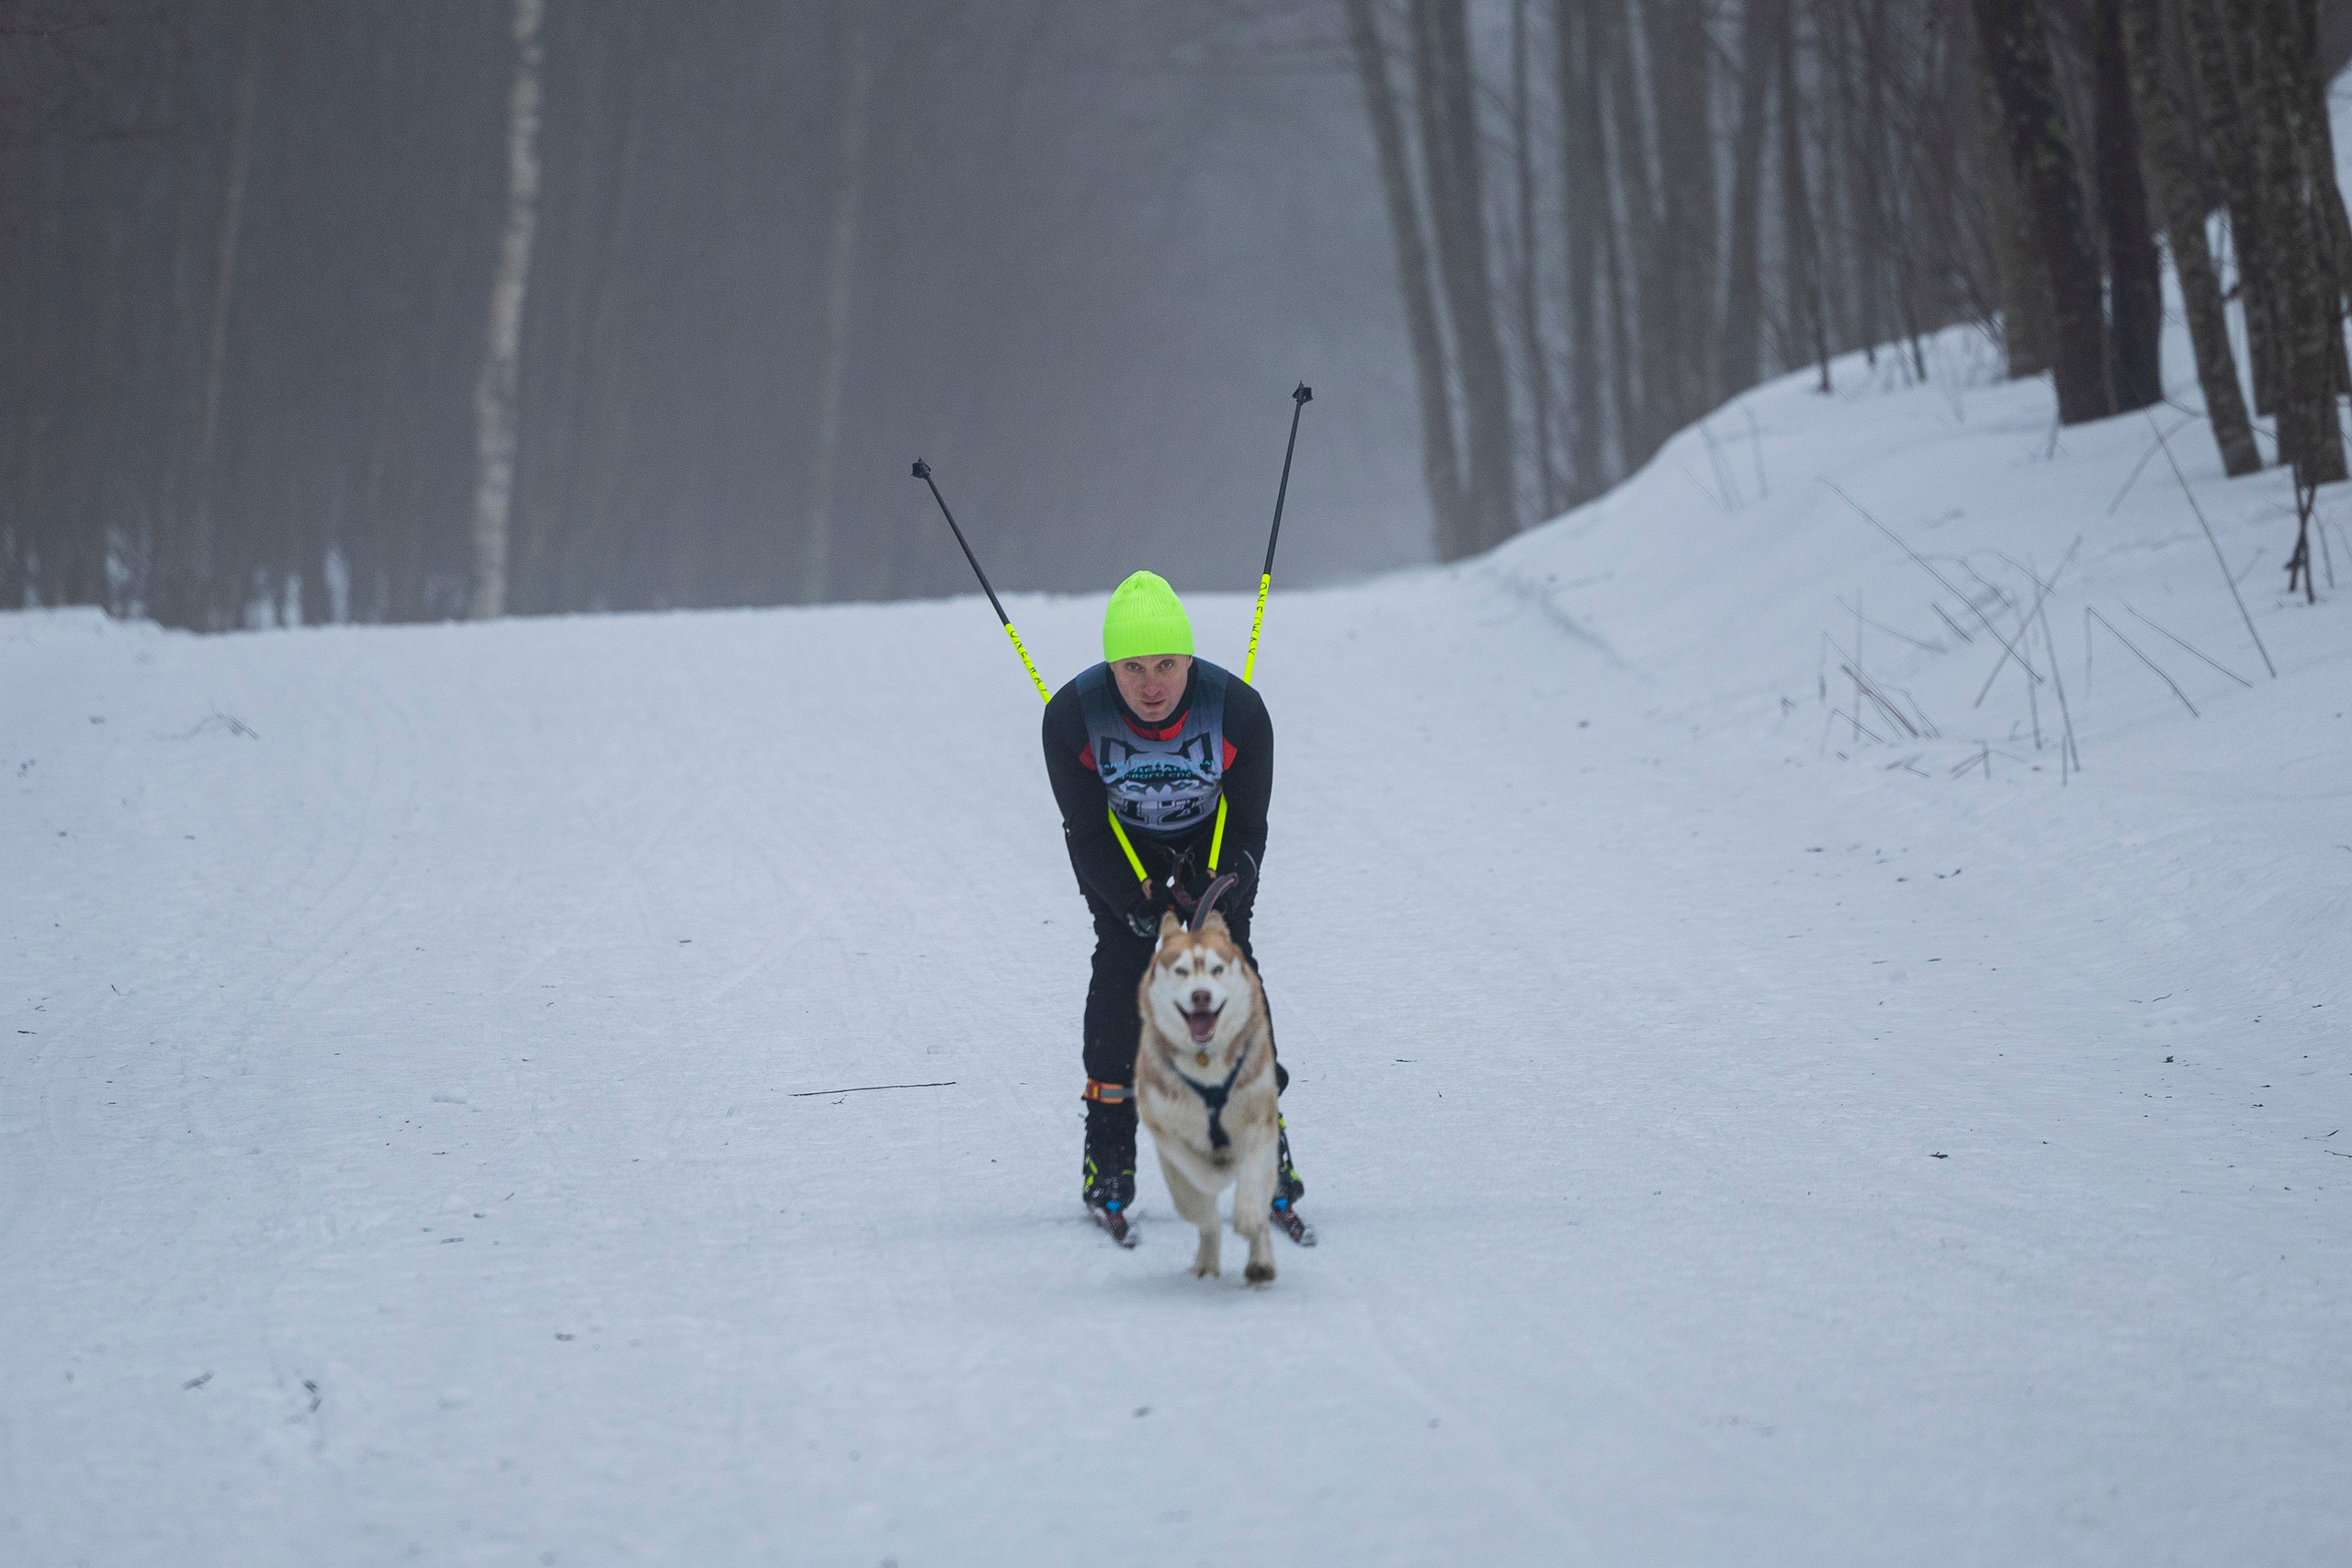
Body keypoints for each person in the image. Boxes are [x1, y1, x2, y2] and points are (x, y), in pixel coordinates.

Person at [1042, 570, 1305, 1230]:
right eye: (1132, 667)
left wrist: (1225, 885)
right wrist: (1136, 899)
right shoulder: (1072, 715)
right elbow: (1086, 828)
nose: (1151, 683)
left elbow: (1248, 827)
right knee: (1125, 963)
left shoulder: (1239, 711)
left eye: (1166, 663)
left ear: (1189, 659)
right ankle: (1108, 1151)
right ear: (1112, 667)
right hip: (1123, 854)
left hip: (1209, 849)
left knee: (1225, 965)